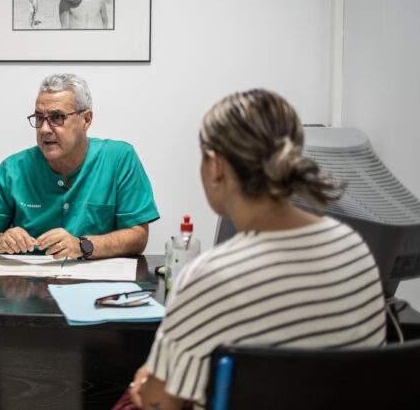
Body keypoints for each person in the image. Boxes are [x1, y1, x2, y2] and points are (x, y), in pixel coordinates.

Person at [126, 89, 386, 410]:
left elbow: (159, 404)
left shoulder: (210, 276)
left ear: (216, 166)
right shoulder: (356, 250)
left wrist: (147, 378)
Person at [0, 73, 159, 260]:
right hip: (28, 289)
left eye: (56, 118)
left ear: (86, 120)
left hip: (97, 288)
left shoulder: (119, 158)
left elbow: (137, 236)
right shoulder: (14, 168)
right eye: (39, 118)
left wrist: (83, 245)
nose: (44, 129)